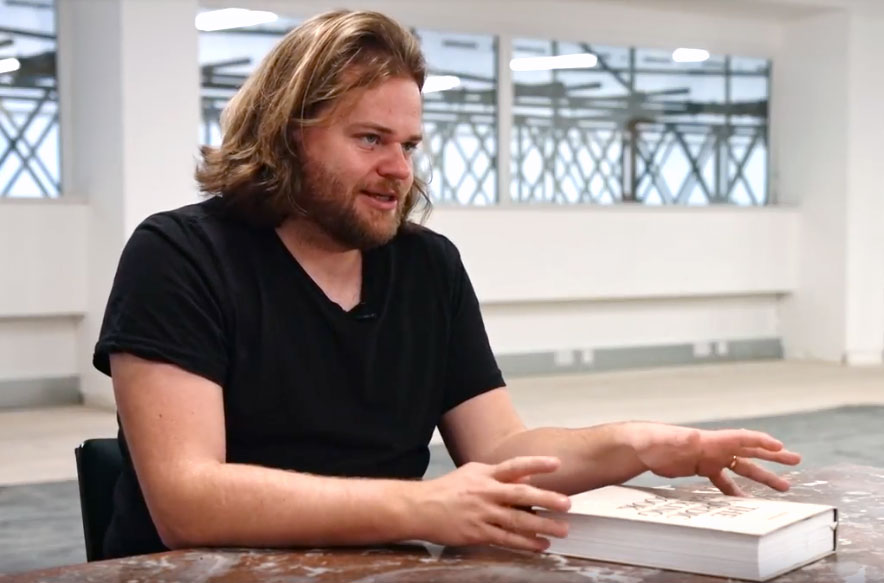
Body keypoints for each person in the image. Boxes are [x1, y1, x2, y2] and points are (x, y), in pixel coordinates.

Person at [93, 9, 801, 560]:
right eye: (370, 139)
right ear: (287, 134)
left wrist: (641, 445)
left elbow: (498, 452)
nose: (399, 169)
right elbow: (189, 500)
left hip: (381, 563)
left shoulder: (427, 266)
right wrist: (422, 506)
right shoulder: (180, 255)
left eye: (409, 145)